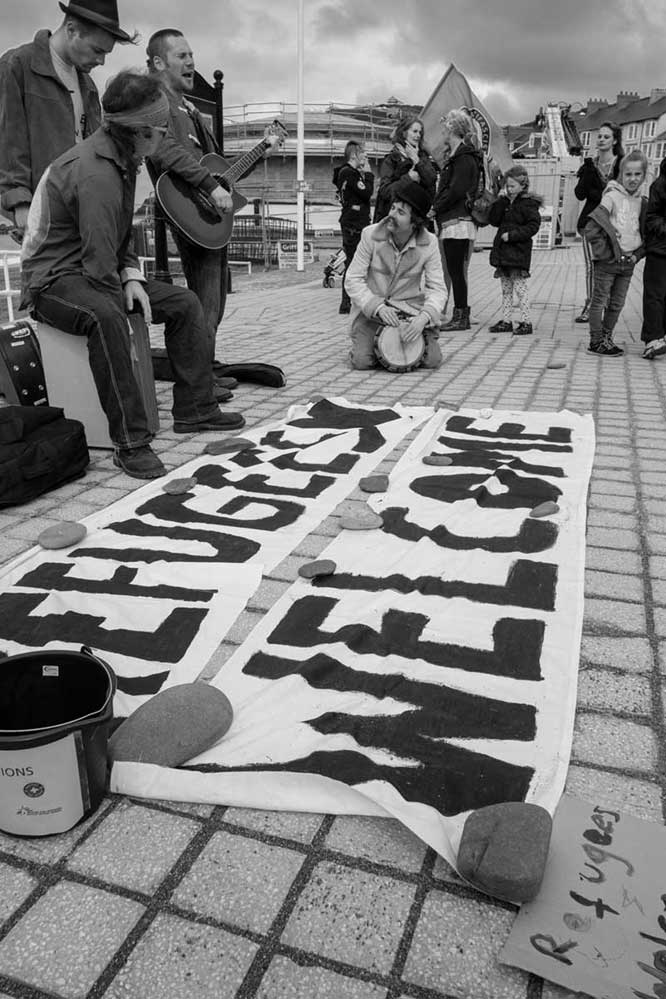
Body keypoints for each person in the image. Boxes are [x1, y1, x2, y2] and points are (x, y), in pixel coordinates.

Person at [20, 70, 244, 480]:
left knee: (185, 303)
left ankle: (195, 409)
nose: (164, 139)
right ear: (139, 133)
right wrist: (123, 296)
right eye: (160, 131)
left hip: (91, 264)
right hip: (53, 280)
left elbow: (115, 241)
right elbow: (98, 267)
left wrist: (132, 274)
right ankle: (131, 442)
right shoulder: (98, 174)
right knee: (106, 318)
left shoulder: (121, 158)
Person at [146, 29, 275, 394]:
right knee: (203, 299)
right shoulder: (156, 101)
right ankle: (197, 382)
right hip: (190, 211)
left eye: (192, 55)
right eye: (182, 55)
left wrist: (262, 147)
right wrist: (209, 186)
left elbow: (221, 170)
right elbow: (164, 150)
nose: (191, 62)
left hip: (210, 212)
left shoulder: (189, 107)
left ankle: (204, 370)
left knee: (212, 302)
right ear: (158, 62)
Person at [0, 0, 135, 240]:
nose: (102, 61)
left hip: (82, 217)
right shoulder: (17, 65)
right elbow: (9, 140)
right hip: (42, 218)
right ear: (71, 29)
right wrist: (20, 205)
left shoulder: (89, 85)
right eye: (97, 50)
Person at [344, 177, 446, 370]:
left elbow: (438, 289)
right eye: (392, 208)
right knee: (362, 361)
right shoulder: (369, 234)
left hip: (410, 312)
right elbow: (352, 279)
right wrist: (378, 307)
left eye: (400, 212)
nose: (391, 214)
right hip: (374, 313)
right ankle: (365, 344)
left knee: (432, 361)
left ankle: (405, 343)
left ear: (414, 222)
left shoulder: (430, 242)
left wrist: (423, 318)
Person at [584, 150, 647, 357]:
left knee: (617, 303)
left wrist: (636, 255)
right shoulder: (611, 196)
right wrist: (607, 253)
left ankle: (606, 338)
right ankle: (595, 341)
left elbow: (644, 233)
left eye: (637, 174)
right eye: (628, 174)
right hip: (608, 262)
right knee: (599, 301)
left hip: (628, 264)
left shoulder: (642, 202)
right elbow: (592, 229)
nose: (632, 179)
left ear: (644, 176)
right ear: (621, 174)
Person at [433, 109, 482, 332]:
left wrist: (435, 208)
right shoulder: (461, 157)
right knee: (456, 270)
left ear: (452, 129)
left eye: (445, 128)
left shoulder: (462, 159)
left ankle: (461, 316)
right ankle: (461, 314)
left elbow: (455, 190)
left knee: (455, 271)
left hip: (457, 222)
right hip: (456, 221)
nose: (442, 132)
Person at [573, 121, 623, 323]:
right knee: (591, 266)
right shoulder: (590, 164)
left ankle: (608, 304)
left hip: (614, 223)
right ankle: (591, 304)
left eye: (606, 137)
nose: (601, 140)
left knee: (611, 265)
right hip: (590, 222)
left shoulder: (621, 164)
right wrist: (587, 172)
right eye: (599, 136)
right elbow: (579, 194)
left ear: (615, 140)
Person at [487, 165, 542, 336]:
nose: (508, 189)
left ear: (522, 185)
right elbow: (494, 220)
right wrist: (499, 202)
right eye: (507, 186)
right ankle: (506, 320)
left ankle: (527, 321)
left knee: (520, 288)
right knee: (506, 289)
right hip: (504, 253)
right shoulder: (506, 202)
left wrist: (513, 235)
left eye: (512, 186)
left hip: (518, 252)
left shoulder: (528, 205)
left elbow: (533, 226)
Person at [333, 140, 374, 315]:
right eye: (363, 152)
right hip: (354, 223)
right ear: (354, 155)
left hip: (354, 221)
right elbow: (366, 192)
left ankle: (348, 301)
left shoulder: (348, 173)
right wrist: (369, 175)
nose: (366, 155)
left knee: (353, 262)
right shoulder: (349, 173)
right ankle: (346, 302)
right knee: (353, 263)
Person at [373, 117, 438, 224]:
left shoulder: (423, 157)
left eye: (420, 132)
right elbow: (385, 192)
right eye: (415, 131)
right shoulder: (391, 159)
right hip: (394, 220)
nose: (418, 135)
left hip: (418, 219)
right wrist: (408, 178)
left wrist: (417, 160)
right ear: (404, 133)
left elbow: (431, 180)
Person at [641, 156, 666, 360]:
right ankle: (652, 339)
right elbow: (652, 217)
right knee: (655, 295)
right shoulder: (661, 184)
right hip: (660, 249)